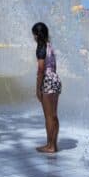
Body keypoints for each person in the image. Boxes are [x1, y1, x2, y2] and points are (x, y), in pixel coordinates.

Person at [33, 22, 61, 153]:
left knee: (48, 117)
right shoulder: (50, 46)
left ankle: (50, 145)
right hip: (55, 79)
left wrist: (38, 88)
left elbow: (40, 69)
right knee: (54, 115)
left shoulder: (41, 47)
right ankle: (53, 144)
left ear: (36, 35)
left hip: (47, 80)